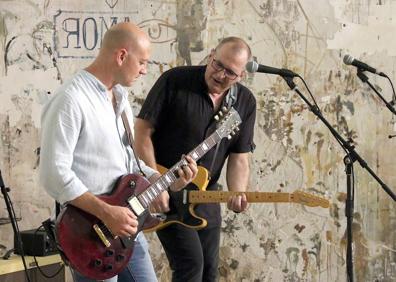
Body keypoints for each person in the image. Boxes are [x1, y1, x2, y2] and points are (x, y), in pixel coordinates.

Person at [39, 22, 197, 282]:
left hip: (127, 228)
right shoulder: (71, 99)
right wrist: (106, 212)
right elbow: (53, 174)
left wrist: (159, 178)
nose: (145, 70)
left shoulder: (121, 99)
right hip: (90, 235)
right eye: (143, 62)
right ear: (122, 56)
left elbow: (127, 163)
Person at [134, 37, 256, 282]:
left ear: (241, 75)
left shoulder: (245, 102)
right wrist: (155, 180)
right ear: (211, 55)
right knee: (191, 265)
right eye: (217, 64)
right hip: (165, 191)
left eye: (230, 72)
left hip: (206, 194)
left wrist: (238, 192)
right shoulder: (175, 80)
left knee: (209, 272)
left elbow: (239, 158)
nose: (220, 74)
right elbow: (141, 132)